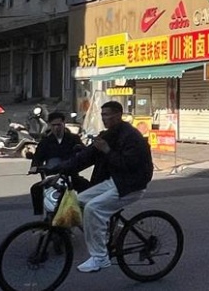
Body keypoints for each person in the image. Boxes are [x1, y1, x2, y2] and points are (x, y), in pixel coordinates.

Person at [53, 101, 154, 273]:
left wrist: (107, 150)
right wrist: (57, 170)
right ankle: (106, 233)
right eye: (102, 115)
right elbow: (86, 156)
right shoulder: (108, 135)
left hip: (132, 184)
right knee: (77, 202)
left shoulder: (132, 137)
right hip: (115, 181)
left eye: (107, 114)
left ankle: (100, 258)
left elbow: (129, 165)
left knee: (93, 208)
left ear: (118, 115)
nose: (104, 118)